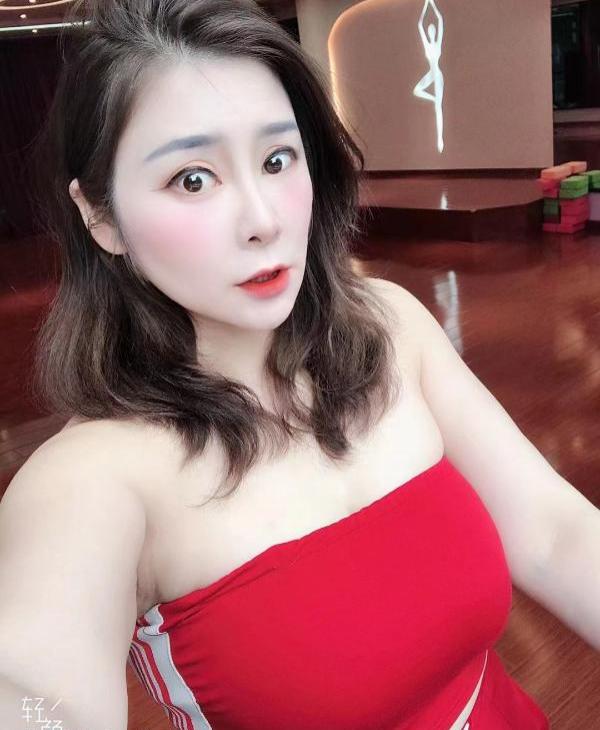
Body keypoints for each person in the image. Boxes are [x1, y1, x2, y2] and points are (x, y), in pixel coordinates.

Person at [0, 1, 598, 728]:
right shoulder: (87, 482)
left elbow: (553, 532)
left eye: (277, 160)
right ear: (100, 216)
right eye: (193, 179)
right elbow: (39, 696)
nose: (264, 219)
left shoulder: (389, 328)